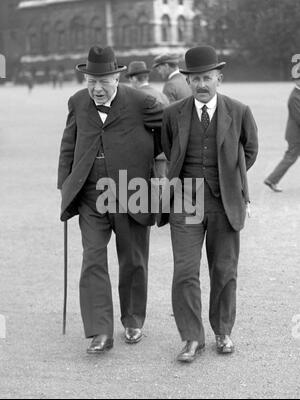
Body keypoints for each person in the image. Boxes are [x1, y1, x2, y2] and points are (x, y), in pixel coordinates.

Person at [57, 46, 163, 355]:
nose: (97, 89)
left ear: (117, 77)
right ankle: (99, 331)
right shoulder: (77, 102)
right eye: (91, 81)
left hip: (132, 194)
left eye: (103, 81)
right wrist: (64, 183)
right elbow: (68, 143)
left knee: (132, 260)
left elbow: (166, 131)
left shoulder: (142, 102)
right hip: (91, 195)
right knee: (92, 258)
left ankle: (132, 319)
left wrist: (156, 170)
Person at [158, 46, 258, 363]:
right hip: (186, 200)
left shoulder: (239, 111)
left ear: (219, 78)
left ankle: (222, 331)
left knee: (224, 271)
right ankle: (191, 337)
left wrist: (229, 180)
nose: (201, 84)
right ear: (187, 81)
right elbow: (169, 147)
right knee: (185, 271)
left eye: (207, 78)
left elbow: (250, 151)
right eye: (195, 79)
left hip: (224, 202)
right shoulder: (172, 114)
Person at [126, 61, 169, 178]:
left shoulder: (134, 98)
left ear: (134, 78)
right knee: (161, 183)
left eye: (130, 78)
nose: (130, 82)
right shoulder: (162, 96)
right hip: (162, 152)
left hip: (143, 154)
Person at [264, 77, 300, 192]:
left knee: (290, 158)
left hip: (296, 134)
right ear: (296, 81)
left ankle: (272, 180)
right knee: (290, 158)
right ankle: (272, 180)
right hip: (296, 135)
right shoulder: (294, 97)